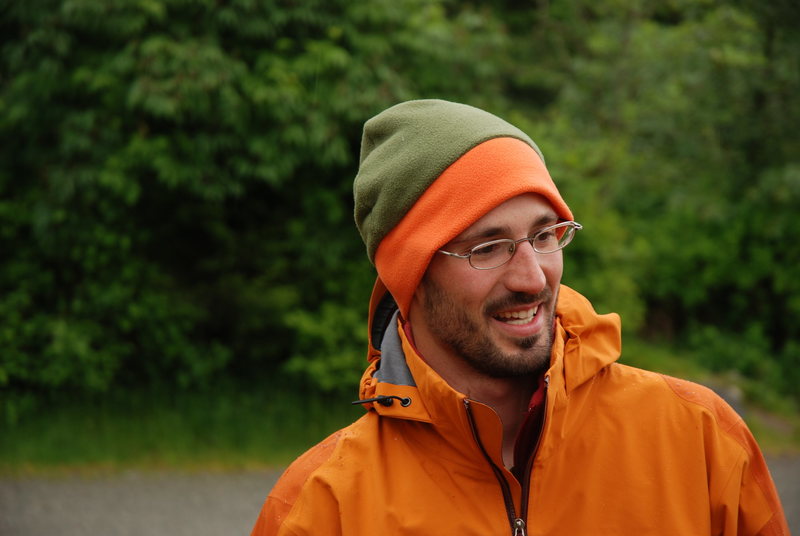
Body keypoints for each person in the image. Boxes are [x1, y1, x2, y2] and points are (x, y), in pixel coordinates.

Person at [251, 100, 789, 535]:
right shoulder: (323, 508)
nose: (533, 278)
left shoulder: (699, 441)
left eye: (544, 234)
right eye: (487, 247)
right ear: (410, 275)